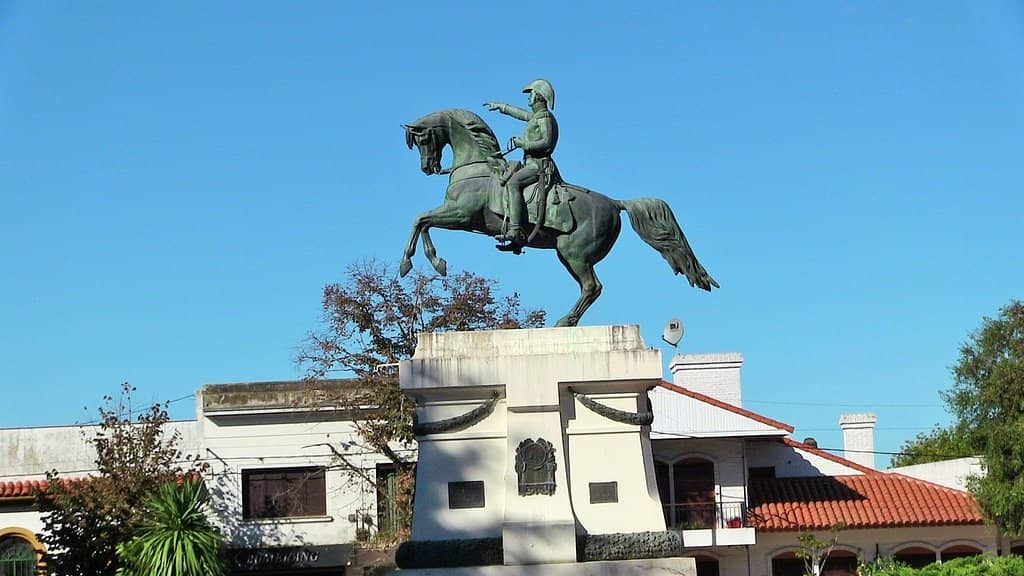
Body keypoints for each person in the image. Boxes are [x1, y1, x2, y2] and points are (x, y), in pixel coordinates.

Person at [484, 79, 559, 252]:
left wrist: (522, 144)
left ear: (539, 97)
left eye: (531, 94)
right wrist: (501, 106)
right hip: (531, 163)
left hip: (540, 166)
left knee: (513, 183)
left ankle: (515, 229)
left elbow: (547, 143)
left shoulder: (545, 118)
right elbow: (520, 114)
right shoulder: (536, 117)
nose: (528, 98)